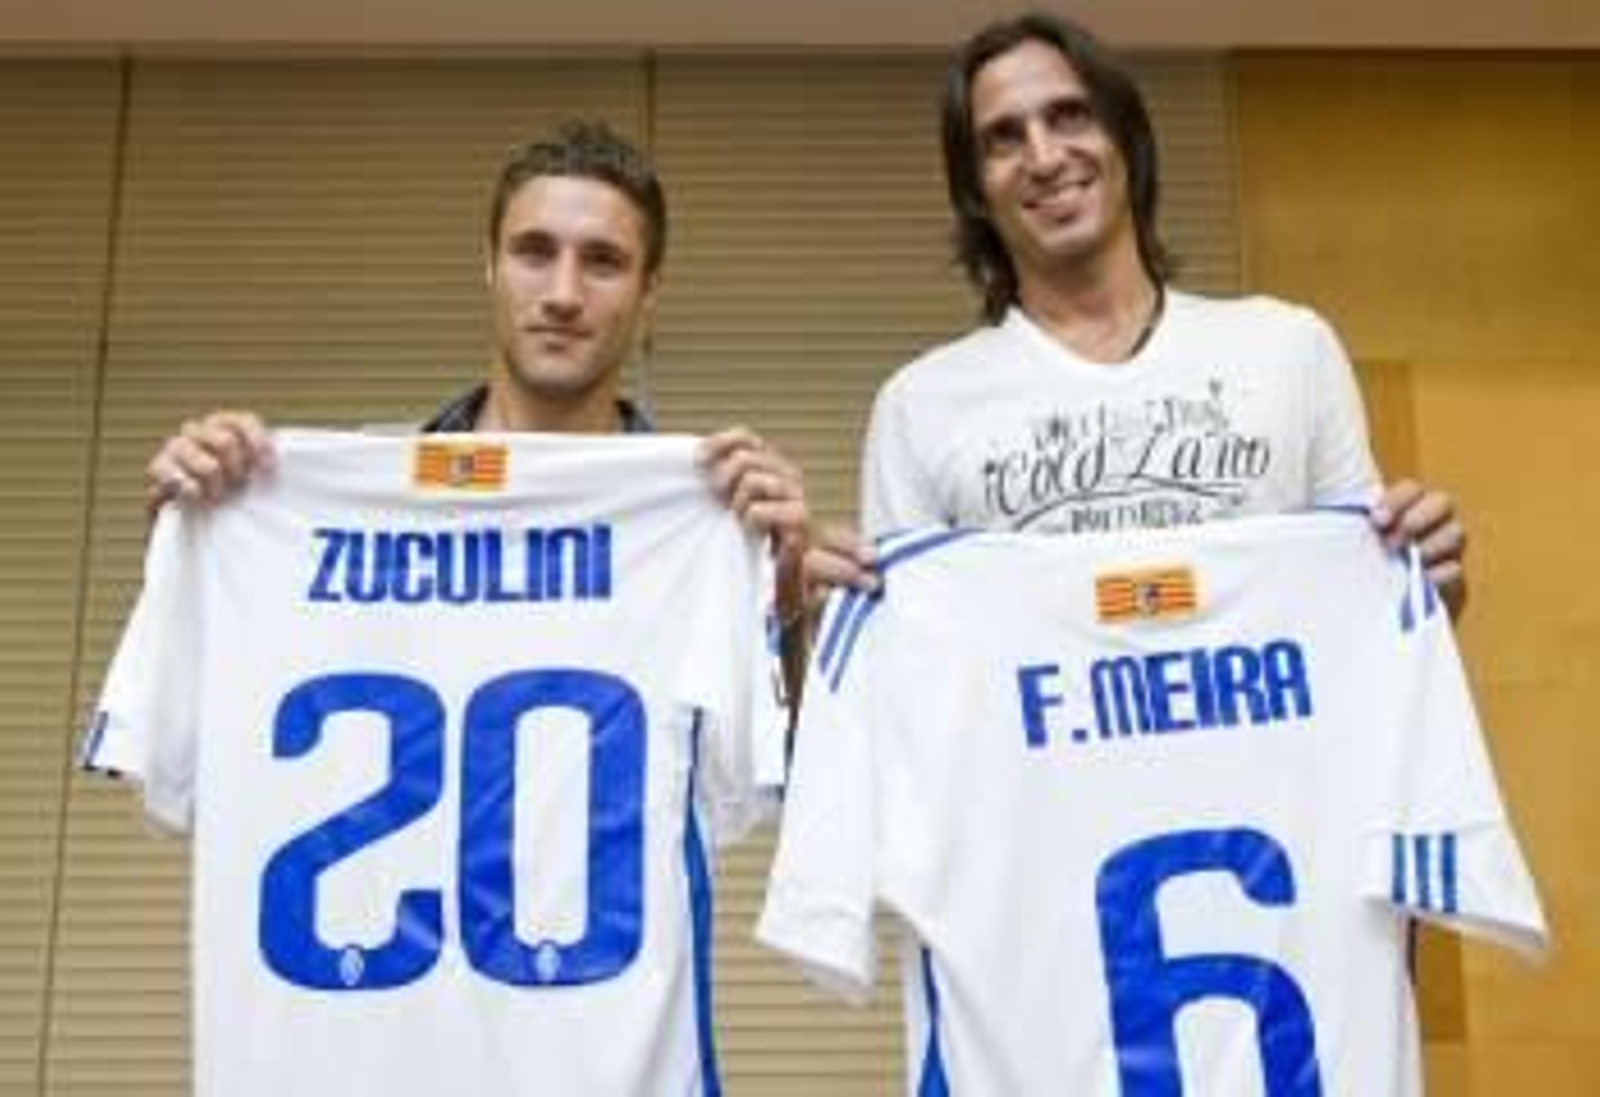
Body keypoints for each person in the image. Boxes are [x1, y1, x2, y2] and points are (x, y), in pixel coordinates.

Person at [805, 11, 1467, 613]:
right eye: (1003, 139)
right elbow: (913, 679)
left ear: (1128, 141)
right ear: (976, 190)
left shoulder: (1289, 348)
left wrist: (1429, 582)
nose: (1043, 157)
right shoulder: (920, 404)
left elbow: (1373, 618)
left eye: (1069, 115)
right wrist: (822, 620)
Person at [144, 122, 810, 615]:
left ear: (650, 291)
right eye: (534, 252)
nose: (563, 294)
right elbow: (235, 687)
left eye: (603, 261)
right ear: (490, 265)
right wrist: (198, 537)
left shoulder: (710, 516)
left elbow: (777, 774)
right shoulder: (356, 495)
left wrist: (782, 599)